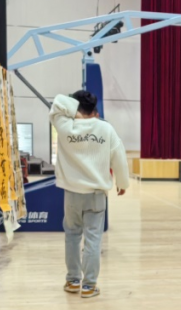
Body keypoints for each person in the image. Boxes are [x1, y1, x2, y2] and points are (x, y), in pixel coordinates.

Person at [50, 90, 130, 299]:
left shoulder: (65, 126)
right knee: (93, 239)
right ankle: (89, 286)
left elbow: (57, 103)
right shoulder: (105, 128)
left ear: (75, 107)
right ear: (95, 110)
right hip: (96, 194)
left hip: (71, 194)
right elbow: (119, 156)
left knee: (72, 236)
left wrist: (75, 112)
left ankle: (73, 280)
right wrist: (122, 183)